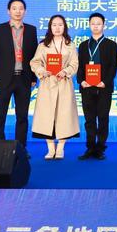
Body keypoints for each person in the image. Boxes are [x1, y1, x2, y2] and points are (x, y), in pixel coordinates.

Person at [0, 0, 38, 148]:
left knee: (22, 116)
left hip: (24, 78)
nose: (18, 11)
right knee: (0, 114)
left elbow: (34, 56)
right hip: (3, 79)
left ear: (25, 11)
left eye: (21, 8)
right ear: (8, 11)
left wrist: (33, 77)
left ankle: (20, 148)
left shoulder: (31, 30)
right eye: (14, 8)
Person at [30, 14, 80, 160]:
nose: (57, 28)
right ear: (50, 27)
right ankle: (50, 148)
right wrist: (42, 71)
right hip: (48, 84)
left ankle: (61, 148)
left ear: (65, 27)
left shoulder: (70, 45)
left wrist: (65, 71)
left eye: (60, 25)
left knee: (64, 117)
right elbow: (35, 62)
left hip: (64, 84)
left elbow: (75, 64)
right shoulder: (43, 45)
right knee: (47, 117)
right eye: (54, 25)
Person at [77, 13, 117, 161]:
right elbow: (79, 66)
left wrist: (105, 82)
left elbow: (113, 66)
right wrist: (81, 81)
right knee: (89, 119)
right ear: (89, 25)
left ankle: (100, 148)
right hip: (87, 87)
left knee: (103, 118)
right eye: (93, 23)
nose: (95, 26)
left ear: (104, 26)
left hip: (104, 88)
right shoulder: (83, 45)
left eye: (98, 23)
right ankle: (90, 148)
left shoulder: (111, 44)